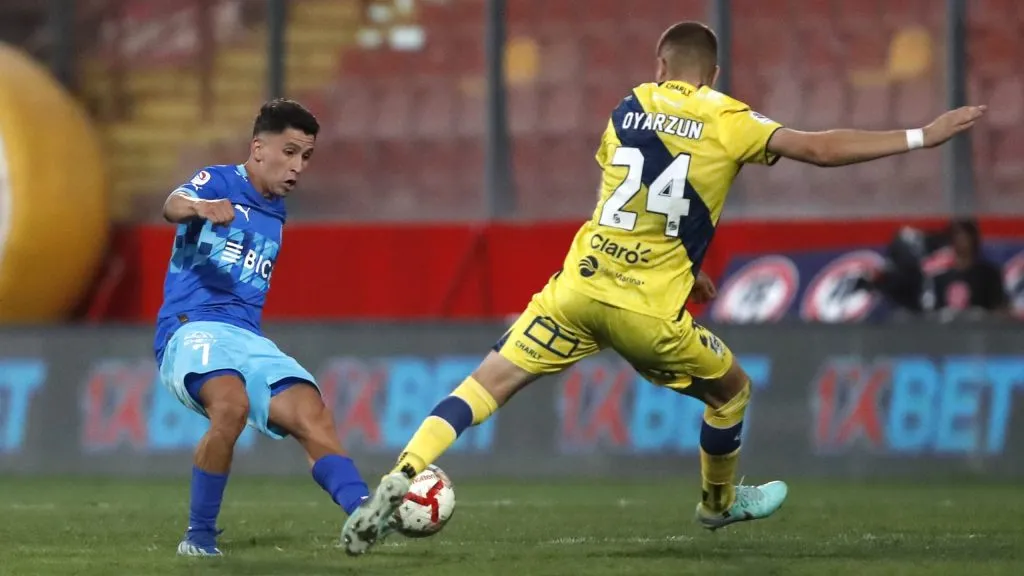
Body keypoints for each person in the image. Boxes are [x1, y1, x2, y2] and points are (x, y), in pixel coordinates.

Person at [342, 21, 987, 556]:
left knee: (484, 383)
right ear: (711, 71)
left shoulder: (629, 106)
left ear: (660, 63)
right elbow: (815, 149)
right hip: (647, 313)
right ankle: (719, 503)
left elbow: (634, 200)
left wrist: (687, 269)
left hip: (577, 288)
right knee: (732, 390)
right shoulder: (729, 118)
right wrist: (920, 136)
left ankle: (403, 470)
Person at [156, 99, 371, 556]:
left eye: (306, 157)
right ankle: (197, 539)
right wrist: (200, 206)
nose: (298, 167)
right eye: (289, 152)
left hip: (247, 337)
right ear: (258, 148)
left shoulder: (276, 212)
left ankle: (364, 511)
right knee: (230, 406)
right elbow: (172, 205)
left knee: (311, 413)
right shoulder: (220, 181)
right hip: (192, 328)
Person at [929, 218, 1009, 319]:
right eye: (957, 235)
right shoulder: (940, 278)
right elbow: (936, 315)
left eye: (966, 235)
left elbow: (999, 309)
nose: (962, 240)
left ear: (974, 239)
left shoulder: (988, 275)